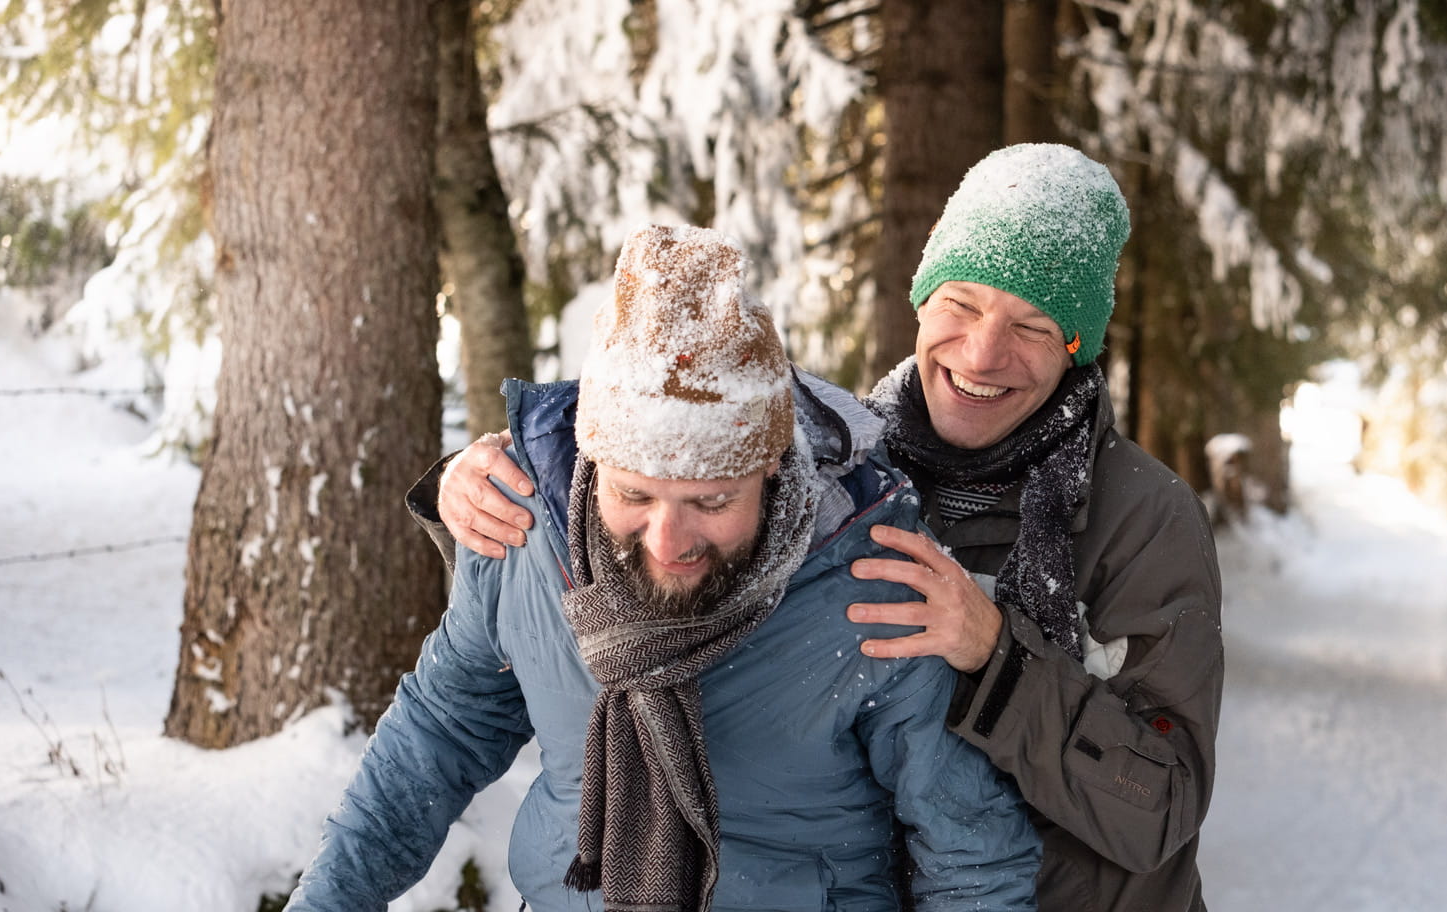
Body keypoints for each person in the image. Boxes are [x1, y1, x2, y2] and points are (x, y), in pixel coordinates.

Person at [427, 146, 1224, 910]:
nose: (983, 353)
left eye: (1034, 326)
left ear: (1077, 348)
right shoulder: (844, 474)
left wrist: (996, 656)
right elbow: (667, 468)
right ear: (921, 298)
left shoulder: (1141, 520)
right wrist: (490, 481)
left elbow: (1162, 806)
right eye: (963, 304)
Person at [290, 225, 1040, 911]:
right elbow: (440, 733)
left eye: (711, 500)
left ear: (774, 471)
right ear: (591, 461)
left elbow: (973, 853)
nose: (667, 538)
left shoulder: (876, 581)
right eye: (634, 494)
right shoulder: (522, 526)